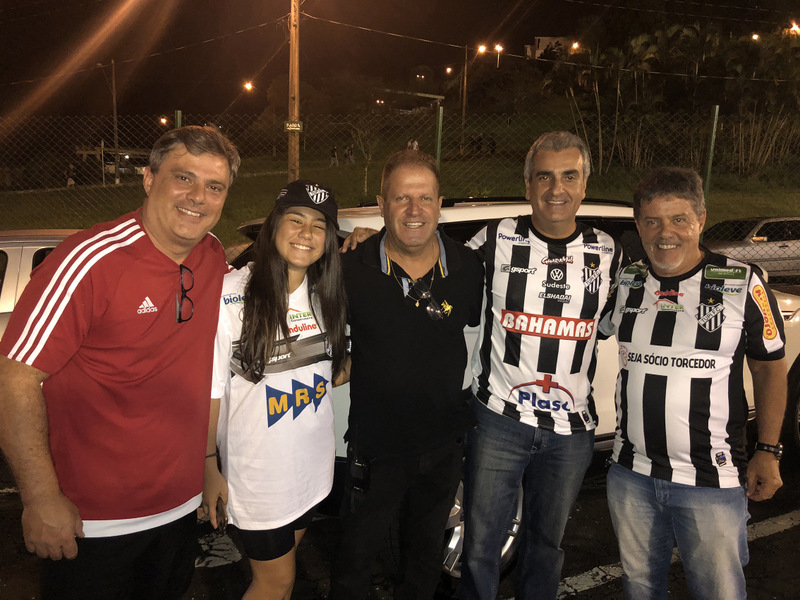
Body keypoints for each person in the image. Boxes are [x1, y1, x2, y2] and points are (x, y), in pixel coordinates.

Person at [0, 125, 240, 600]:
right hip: (93, 523)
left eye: (215, 186)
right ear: (149, 179)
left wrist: (358, 249)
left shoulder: (212, 256)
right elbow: (14, 378)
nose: (198, 197)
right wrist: (41, 497)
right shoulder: (89, 261)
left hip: (178, 510)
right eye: (183, 178)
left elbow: (270, 275)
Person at [598, 167, 787, 600]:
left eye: (678, 219)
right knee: (641, 588)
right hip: (631, 474)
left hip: (711, 481)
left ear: (701, 219)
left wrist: (769, 450)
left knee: (717, 593)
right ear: (638, 226)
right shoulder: (629, 282)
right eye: (651, 221)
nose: (665, 233)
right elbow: (586, 326)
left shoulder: (741, 282)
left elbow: (770, 367)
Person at [461, 131, 623, 600]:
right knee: (480, 548)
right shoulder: (494, 238)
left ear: (584, 184)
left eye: (569, 176)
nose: (557, 188)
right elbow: (432, 264)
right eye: (545, 176)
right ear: (528, 184)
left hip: (571, 431)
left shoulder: (610, 253)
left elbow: (621, 321)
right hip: (498, 420)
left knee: (546, 546)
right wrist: (372, 240)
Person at [330, 150, 484, 599]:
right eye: (401, 198)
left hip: (442, 444)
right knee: (354, 559)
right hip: (376, 447)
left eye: (424, 198)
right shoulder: (351, 266)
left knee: (424, 559)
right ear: (381, 205)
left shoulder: (468, 268)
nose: (414, 210)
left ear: (440, 203)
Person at [202, 180, 348, 600]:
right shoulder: (232, 295)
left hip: (313, 469)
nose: (306, 233)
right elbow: (211, 390)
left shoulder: (326, 294)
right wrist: (207, 463)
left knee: (281, 582)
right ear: (272, 227)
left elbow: (331, 372)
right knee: (274, 582)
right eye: (295, 220)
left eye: (319, 225)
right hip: (259, 478)